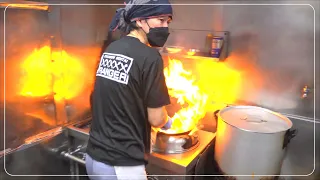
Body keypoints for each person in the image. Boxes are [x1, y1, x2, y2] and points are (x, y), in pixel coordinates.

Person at [85, 0, 174, 180]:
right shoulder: (150, 57)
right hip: (121, 165)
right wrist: (167, 121)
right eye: (161, 20)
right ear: (140, 20)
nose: (165, 27)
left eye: (168, 22)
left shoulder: (112, 48)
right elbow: (156, 118)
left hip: (93, 157)